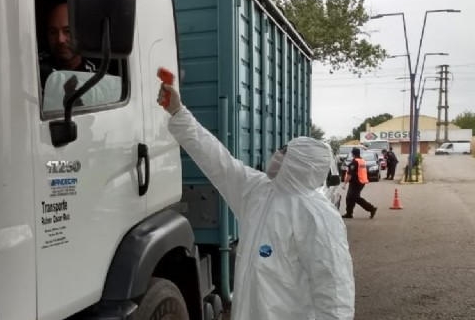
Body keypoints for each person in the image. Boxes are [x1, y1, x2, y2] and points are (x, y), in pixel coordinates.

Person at [157, 82, 355, 320]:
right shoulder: (259, 190)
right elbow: (217, 161)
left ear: (300, 165)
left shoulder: (317, 216)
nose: (276, 156)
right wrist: (179, 113)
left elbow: (334, 292)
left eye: (284, 153)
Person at [342, 148, 378, 219]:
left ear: (353, 154)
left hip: (356, 183)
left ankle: (371, 208)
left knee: (355, 197)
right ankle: (349, 213)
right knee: (349, 197)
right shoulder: (362, 161)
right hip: (360, 181)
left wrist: (345, 184)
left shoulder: (354, 162)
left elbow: (349, 174)